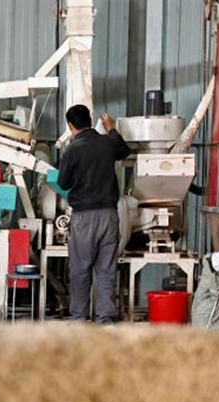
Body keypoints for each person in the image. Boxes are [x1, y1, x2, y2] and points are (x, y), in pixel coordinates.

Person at [56, 105, 131, 324]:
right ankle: (105, 317)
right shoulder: (108, 142)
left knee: (80, 269)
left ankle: (79, 317)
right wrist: (112, 129)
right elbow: (125, 151)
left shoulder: (72, 150)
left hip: (84, 218)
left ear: (71, 126)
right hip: (109, 215)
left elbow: (63, 183)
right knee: (106, 269)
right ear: (90, 120)